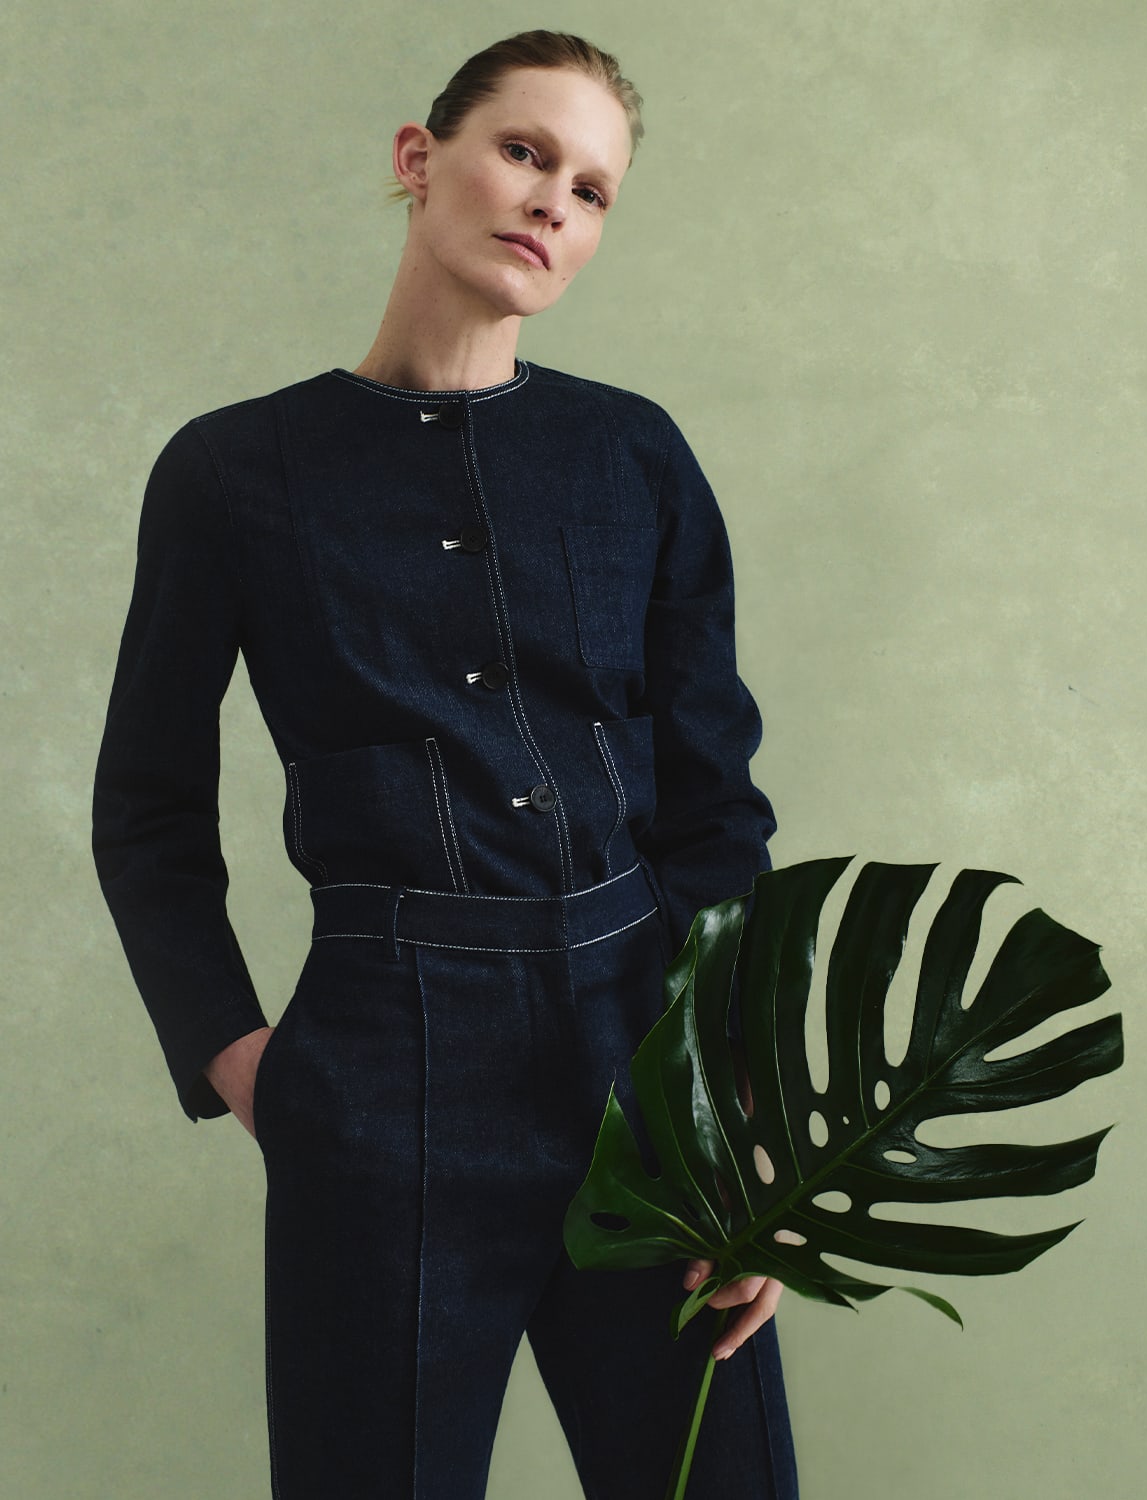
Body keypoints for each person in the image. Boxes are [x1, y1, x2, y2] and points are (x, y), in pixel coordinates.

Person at [91, 29, 798, 1500]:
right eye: (525, 153)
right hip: (385, 1072)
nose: (554, 203)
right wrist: (245, 1062)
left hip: (643, 1072)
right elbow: (147, 810)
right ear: (420, 159)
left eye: (592, 190)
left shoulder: (636, 458)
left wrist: (747, 1118)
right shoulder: (232, 475)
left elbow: (716, 805)